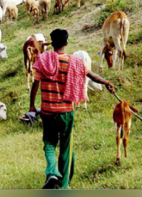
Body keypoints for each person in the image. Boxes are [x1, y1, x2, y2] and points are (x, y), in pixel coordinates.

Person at [29, 29, 115, 189]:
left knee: (49, 143)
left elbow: (35, 84)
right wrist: (107, 82)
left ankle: (52, 172)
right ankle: (63, 186)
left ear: (51, 43)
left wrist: (32, 106)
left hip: (47, 111)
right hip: (66, 112)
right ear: (66, 43)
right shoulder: (74, 62)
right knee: (66, 147)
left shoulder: (42, 60)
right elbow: (92, 76)